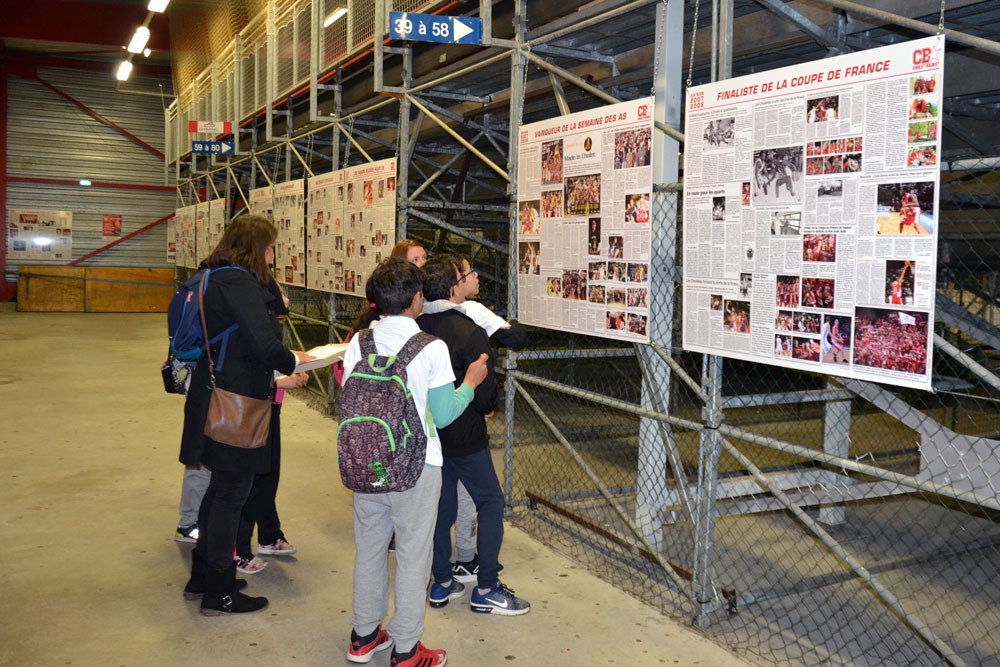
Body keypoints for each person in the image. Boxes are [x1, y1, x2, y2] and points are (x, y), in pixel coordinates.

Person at [342, 258, 488, 667]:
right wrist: (470, 384)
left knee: (370, 549)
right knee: (412, 555)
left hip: (366, 463)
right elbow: (443, 415)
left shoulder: (360, 341)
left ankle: (364, 635)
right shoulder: (430, 347)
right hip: (416, 467)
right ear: (416, 299)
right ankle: (406, 648)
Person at [179, 215, 313, 616]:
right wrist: (295, 361)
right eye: (270, 249)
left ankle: (203, 576)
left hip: (214, 393)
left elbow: (267, 308)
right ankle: (218, 591)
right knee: (231, 494)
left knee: (219, 489)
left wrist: (267, 278)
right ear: (256, 248)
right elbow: (263, 341)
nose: (273, 257)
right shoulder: (238, 283)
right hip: (236, 402)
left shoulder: (216, 276)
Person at [419, 254, 531, 617]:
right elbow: (483, 392)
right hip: (465, 433)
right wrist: (484, 405)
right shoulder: (470, 330)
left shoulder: (416, 326)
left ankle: (440, 580)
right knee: (491, 502)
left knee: (441, 506)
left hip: (431, 434)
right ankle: (486, 587)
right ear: (454, 288)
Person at [234, 279, 308, 575]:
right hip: (251, 411)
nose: (286, 297)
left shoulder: (268, 325)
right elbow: (244, 376)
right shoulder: (251, 327)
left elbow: (269, 363)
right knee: (247, 483)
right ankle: (238, 549)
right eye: (281, 291)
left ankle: (268, 535)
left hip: (271, 408)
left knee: (268, 476)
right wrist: (280, 381)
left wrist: (292, 370)